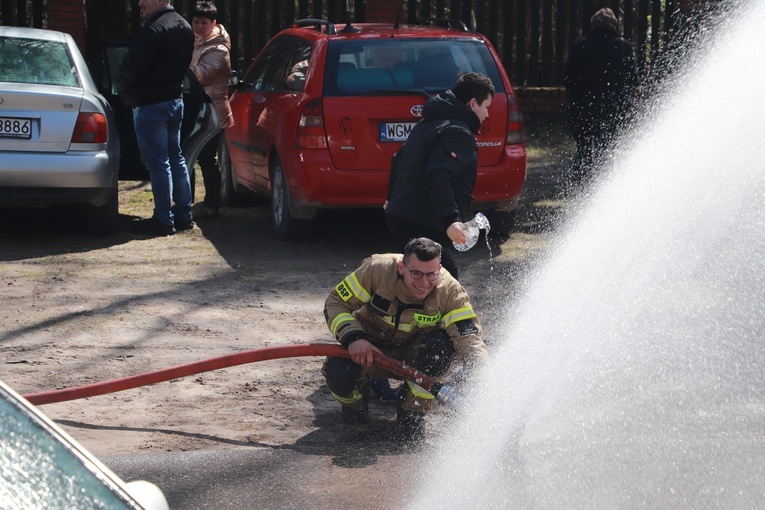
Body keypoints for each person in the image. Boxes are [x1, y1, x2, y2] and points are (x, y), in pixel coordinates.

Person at [322, 237, 488, 441]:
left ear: (440, 268)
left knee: (441, 348)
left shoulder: (450, 291)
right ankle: (355, 406)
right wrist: (354, 338)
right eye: (416, 273)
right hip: (369, 352)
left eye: (431, 274)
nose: (424, 283)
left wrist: (484, 382)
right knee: (337, 370)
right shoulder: (378, 271)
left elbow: (468, 337)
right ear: (402, 267)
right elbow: (336, 302)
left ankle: (412, 410)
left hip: (415, 358)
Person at [384, 72, 495, 281]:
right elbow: (438, 175)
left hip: (402, 214)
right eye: (486, 106)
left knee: (415, 279)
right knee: (444, 281)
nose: (487, 114)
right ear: (472, 104)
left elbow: (397, 159)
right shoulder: (458, 133)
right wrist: (450, 220)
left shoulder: (429, 122)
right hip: (422, 220)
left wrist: (391, 197)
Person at [117, 0, 195, 236]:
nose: (140, 3)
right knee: (176, 158)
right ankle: (183, 214)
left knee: (159, 163)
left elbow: (135, 67)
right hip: (175, 100)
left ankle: (163, 219)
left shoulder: (154, 29)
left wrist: (121, 87)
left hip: (152, 103)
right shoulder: (184, 27)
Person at [563, 7, 639, 185]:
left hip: (582, 107)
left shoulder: (580, 45)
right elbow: (633, 79)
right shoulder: (624, 46)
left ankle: (581, 182)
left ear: (593, 24)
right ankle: (603, 185)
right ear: (614, 24)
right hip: (612, 108)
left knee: (583, 148)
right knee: (606, 147)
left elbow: (566, 79)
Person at [188, 1, 234, 219]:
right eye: (195, 21)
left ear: (213, 23)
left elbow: (199, 76)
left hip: (213, 114)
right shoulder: (193, 42)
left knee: (206, 159)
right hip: (196, 111)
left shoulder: (219, 49)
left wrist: (178, 65)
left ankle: (212, 205)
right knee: (187, 156)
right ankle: (186, 202)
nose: (198, 26)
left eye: (203, 23)